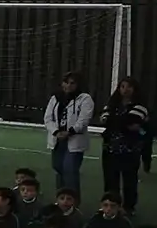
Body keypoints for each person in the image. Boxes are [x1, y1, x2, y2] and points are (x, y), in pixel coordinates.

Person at [99, 77, 150, 215]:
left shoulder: (140, 106)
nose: (125, 90)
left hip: (130, 149)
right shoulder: (112, 103)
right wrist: (122, 123)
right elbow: (104, 119)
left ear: (135, 89)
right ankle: (110, 205)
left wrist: (116, 121)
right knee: (110, 179)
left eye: (129, 87)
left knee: (129, 180)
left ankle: (128, 207)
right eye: (122, 86)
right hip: (110, 148)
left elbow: (132, 121)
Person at [43, 71, 94, 199]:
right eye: (66, 82)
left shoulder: (85, 99)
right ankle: (60, 198)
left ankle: (72, 200)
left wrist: (70, 131)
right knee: (58, 167)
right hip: (58, 139)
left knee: (70, 170)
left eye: (73, 83)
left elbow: (84, 119)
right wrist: (56, 132)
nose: (68, 86)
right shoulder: (55, 98)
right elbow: (48, 118)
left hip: (74, 139)